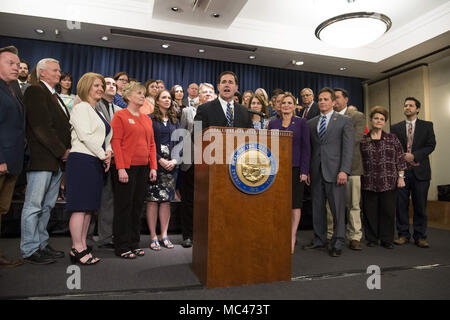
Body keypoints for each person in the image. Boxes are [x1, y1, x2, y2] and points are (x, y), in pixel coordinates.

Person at [21, 58, 71, 264]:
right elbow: (41, 127)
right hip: (42, 159)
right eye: (55, 70)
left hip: (56, 161)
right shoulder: (35, 91)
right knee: (34, 205)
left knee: (47, 206)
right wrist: (62, 151)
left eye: (59, 70)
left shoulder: (53, 95)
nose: (59, 74)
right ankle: (30, 248)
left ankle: (41, 243)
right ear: (42, 73)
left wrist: (62, 153)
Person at [66, 72, 112, 265]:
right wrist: (103, 154)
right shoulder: (80, 108)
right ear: (85, 87)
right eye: (96, 85)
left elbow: (106, 137)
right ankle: (76, 247)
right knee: (79, 207)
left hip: (95, 161)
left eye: (101, 86)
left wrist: (108, 152)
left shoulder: (98, 111)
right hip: (82, 160)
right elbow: (84, 135)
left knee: (88, 209)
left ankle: (83, 245)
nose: (100, 88)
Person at [304, 87, 353, 257]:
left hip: (336, 172)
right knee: (317, 208)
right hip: (316, 172)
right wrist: (308, 171)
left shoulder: (344, 121)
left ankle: (338, 241)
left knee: (337, 209)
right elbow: (309, 149)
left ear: (333, 102)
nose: (322, 102)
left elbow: (348, 149)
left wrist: (344, 170)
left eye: (326, 99)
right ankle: (319, 240)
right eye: (320, 99)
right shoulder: (311, 123)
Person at [110, 81, 157, 259]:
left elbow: (152, 144)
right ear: (128, 96)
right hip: (125, 168)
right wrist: (121, 168)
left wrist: (153, 167)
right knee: (124, 207)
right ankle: (122, 246)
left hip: (143, 168)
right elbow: (116, 143)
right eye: (138, 93)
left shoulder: (146, 118)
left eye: (143, 93)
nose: (142, 96)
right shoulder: (120, 116)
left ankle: (134, 243)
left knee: (137, 207)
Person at [391, 97, 436, 248]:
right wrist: (403, 157)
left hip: (421, 172)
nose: (407, 108)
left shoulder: (427, 126)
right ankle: (403, 235)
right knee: (401, 205)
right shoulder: (395, 127)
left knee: (420, 205)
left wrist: (414, 155)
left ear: (417, 109)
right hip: (401, 173)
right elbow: (394, 148)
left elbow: (431, 145)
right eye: (405, 105)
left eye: (410, 105)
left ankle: (420, 236)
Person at [268, 92, 310, 254]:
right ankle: (279, 234)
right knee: (278, 204)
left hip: (296, 169)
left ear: (294, 105)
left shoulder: (302, 123)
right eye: (283, 103)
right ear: (279, 106)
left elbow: (306, 148)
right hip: (277, 170)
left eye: (289, 103)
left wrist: (305, 171)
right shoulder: (273, 124)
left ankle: (292, 237)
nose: (286, 105)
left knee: (295, 205)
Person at [361, 106, 407, 248]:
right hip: (368, 181)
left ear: (384, 122)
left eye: (382, 119)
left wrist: (401, 177)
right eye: (376, 118)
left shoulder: (392, 138)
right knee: (370, 211)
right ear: (371, 120)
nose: (379, 121)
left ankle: (387, 239)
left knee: (387, 211)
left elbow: (400, 159)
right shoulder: (363, 140)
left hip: (389, 181)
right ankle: (372, 238)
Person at [326, 88, 366, 250]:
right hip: (331, 168)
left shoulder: (357, 116)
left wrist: (333, 146)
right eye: (332, 97)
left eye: (337, 97)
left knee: (353, 204)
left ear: (346, 99)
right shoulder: (328, 117)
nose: (334, 100)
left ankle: (354, 236)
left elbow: (355, 139)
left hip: (352, 168)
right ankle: (330, 234)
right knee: (331, 205)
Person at [179, 82, 215, 248]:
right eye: (204, 92)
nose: (207, 95)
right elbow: (182, 136)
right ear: (198, 95)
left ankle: (207, 234)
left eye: (210, 92)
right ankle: (188, 235)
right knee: (189, 200)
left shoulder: (219, 113)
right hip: (191, 162)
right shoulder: (188, 111)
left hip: (213, 164)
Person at [146, 89, 182, 250]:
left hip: (172, 166)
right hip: (155, 164)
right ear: (157, 100)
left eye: (169, 98)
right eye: (164, 97)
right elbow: (148, 143)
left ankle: (164, 235)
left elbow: (181, 143)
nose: (167, 100)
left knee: (166, 201)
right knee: (153, 202)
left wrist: (174, 160)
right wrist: (159, 159)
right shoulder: (149, 119)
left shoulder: (175, 121)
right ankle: (153, 236)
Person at [0, 46, 25, 267]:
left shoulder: (12, 90)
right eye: (11, 63)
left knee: (2, 209)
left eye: (18, 64)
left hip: (12, 161)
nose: (16, 67)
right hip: (1, 160)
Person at [90, 76, 122, 249]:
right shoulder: (93, 105)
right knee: (94, 198)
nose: (111, 86)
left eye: (114, 85)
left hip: (116, 160)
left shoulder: (119, 109)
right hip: (96, 156)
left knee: (109, 198)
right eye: (107, 83)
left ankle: (106, 236)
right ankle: (90, 235)